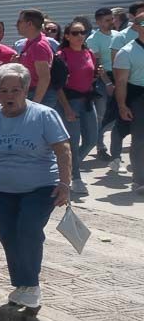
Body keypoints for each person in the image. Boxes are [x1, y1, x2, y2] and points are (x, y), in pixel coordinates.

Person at [0, 64, 71, 309]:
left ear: (25, 90)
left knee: (28, 230)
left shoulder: (44, 115)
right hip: (2, 189)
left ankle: (32, 285)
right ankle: (22, 284)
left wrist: (65, 183)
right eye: (4, 90)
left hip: (41, 186)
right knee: (8, 235)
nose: (10, 95)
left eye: (16, 90)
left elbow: (63, 149)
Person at [55, 19, 101, 195]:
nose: (80, 36)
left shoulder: (88, 52)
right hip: (70, 101)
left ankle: (67, 168)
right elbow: (58, 86)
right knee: (73, 142)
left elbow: (88, 76)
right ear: (67, 36)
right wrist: (66, 108)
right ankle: (75, 177)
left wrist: (98, 75)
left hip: (87, 100)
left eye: (83, 32)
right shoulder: (61, 55)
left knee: (91, 139)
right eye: (75, 33)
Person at [112, 9, 144, 193]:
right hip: (138, 96)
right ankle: (139, 180)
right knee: (140, 139)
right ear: (136, 27)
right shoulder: (126, 52)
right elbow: (121, 82)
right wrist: (122, 105)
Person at [89, 7, 124, 162]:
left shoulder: (118, 35)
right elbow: (98, 64)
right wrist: (108, 83)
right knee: (102, 116)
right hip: (104, 80)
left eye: (112, 19)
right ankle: (100, 146)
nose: (111, 22)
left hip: (119, 75)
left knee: (117, 114)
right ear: (98, 22)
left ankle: (115, 147)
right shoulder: (93, 39)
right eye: (107, 20)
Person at [15, 8, 59, 110]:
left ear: (29, 24)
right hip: (32, 92)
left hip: (39, 95)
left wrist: (34, 105)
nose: (16, 25)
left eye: (19, 21)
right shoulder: (31, 42)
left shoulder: (38, 46)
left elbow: (44, 77)